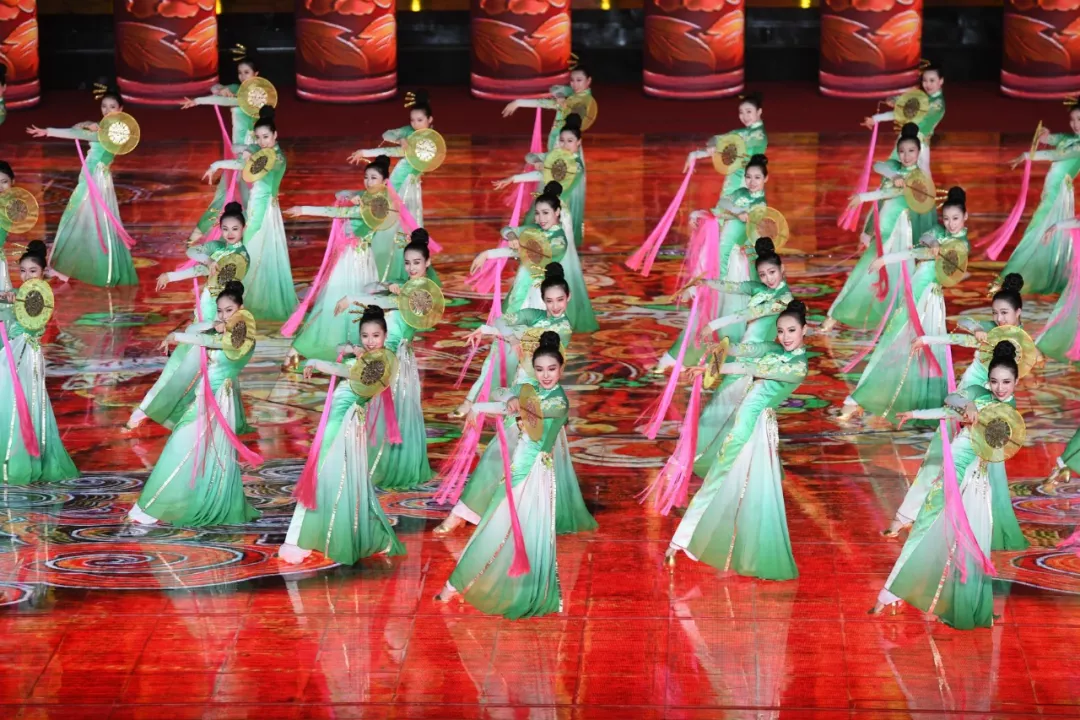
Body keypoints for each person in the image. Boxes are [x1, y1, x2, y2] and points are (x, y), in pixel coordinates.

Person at [872, 342, 1024, 629]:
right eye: (994, 381)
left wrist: (975, 416)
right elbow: (951, 401)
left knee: (946, 536)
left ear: (1016, 382)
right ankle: (896, 592)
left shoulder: (1010, 413)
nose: (1000, 388)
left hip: (970, 481)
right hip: (952, 474)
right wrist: (922, 413)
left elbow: (997, 443)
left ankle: (898, 594)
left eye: (1006, 382)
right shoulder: (979, 393)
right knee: (929, 530)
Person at [438, 265, 594, 536]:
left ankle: (466, 512)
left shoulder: (563, 327)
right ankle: (491, 512)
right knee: (508, 454)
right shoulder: (535, 314)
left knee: (503, 453)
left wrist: (492, 331)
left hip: (540, 392)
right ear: (542, 299)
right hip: (520, 385)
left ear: (568, 298)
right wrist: (506, 336)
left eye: (560, 300)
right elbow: (503, 320)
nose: (555, 306)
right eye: (549, 300)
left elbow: (531, 338)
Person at [665, 299, 810, 579]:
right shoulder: (776, 349)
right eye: (781, 331)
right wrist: (718, 353)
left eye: (791, 331)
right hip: (747, 425)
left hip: (754, 429)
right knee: (730, 483)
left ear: (805, 330)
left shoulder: (798, 367)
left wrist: (715, 368)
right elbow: (748, 351)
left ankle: (683, 542)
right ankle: (685, 541)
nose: (785, 337)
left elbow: (752, 369)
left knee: (724, 481)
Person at [434, 331, 570, 619]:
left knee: (519, 534)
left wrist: (512, 401)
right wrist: (490, 403)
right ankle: (456, 584)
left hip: (536, 476)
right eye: (540, 369)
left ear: (562, 369)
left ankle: (466, 586)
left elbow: (530, 409)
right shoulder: (531, 390)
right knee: (492, 528)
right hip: (519, 470)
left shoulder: (558, 402)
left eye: (552, 369)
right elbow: (503, 397)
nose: (546, 375)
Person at [279, 305, 405, 565]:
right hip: (337, 421)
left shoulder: (383, 361)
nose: (370, 341)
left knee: (322, 473)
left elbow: (348, 372)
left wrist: (317, 363)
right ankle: (329, 534)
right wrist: (350, 349)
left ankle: (299, 539)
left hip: (345, 423)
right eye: (365, 336)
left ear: (385, 335)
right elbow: (342, 351)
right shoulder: (365, 355)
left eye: (376, 335)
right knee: (330, 475)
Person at [128, 282, 260, 527]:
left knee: (182, 446)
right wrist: (211, 325)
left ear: (241, 309)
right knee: (201, 453)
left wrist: (178, 336)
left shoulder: (243, 338)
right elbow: (202, 333)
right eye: (219, 310)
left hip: (217, 402)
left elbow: (213, 343)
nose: (223, 315)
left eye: (229, 310)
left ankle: (153, 506)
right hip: (205, 398)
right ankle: (187, 500)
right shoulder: (220, 332)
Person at [840, 186, 969, 423]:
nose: (950, 224)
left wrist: (939, 251)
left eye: (956, 219)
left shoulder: (961, 247)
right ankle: (865, 395)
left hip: (929, 300)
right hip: (913, 294)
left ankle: (913, 401)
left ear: (965, 217)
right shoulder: (938, 232)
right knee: (893, 340)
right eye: (947, 218)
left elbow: (948, 270)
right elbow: (922, 242)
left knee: (914, 346)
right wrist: (886, 258)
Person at [128, 203, 253, 433]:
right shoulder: (219, 248)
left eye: (235, 229)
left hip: (214, 318)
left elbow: (208, 275)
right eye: (225, 228)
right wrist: (204, 262)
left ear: (244, 229)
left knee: (183, 367)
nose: (230, 233)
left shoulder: (239, 258)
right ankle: (209, 418)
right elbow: (192, 252)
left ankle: (150, 410)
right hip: (204, 313)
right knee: (191, 368)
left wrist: (181, 273)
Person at [334, 233, 440, 490]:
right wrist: (388, 284)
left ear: (427, 263)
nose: (411, 268)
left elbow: (387, 302)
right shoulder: (406, 286)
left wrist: (353, 298)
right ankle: (373, 462)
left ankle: (393, 466)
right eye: (407, 263)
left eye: (417, 262)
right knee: (376, 410)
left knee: (394, 410)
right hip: (384, 354)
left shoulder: (424, 292)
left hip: (397, 362)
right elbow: (377, 289)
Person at [823, 123, 935, 333]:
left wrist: (863, 197)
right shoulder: (893, 168)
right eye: (902, 151)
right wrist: (894, 177)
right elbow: (878, 166)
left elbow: (891, 194)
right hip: (882, 228)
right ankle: (836, 314)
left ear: (919, 152)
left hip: (899, 232)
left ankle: (899, 320)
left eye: (911, 151)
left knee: (897, 274)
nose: (906, 156)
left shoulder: (919, 178)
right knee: (865, 271)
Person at [280, 157, 393, 363]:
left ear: (385, 182)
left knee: (343, 300)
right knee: (344, 299)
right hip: (356, 256)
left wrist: (304, 209)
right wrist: (351, 195)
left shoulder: (378, 205)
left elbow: (337, 212)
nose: (368, 182)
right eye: (366, 177)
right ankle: (338, 345)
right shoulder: (368, 196)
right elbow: (340, 194)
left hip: (356, 259)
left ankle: (339, 344)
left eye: (374, 178)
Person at [25, 86, 138, 287]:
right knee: (84, 222)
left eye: (112, 106)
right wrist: (87, 125)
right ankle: (66, 267)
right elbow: (79, 128)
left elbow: (79, 133)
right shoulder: (105, 128)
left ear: (121, 109)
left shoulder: (113, 132)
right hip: (92, 178)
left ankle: (67, 268)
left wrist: (49, 131)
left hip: (95, 181)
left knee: (74, 220)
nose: (107, 110)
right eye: (104, 106)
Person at [204, 105, 296, 320]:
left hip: (264, 210)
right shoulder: (263, 152)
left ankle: (251, 298)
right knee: (249, 249)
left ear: (275, 135)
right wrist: (248, 149)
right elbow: (246, 155)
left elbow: (245, 166)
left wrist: (222, 163)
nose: (262, 141)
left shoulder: (276, 158)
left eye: (266, 137)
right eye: (259, 137)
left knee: (252, 250)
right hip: (257, 204)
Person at [0, 242, 79, 486]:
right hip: (12, 352)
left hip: (25, 356)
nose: (27, 276)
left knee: (21, 402)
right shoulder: (18, 291)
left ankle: (19, 461)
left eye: (32, 271)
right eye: (23, 270)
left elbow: (31, 318)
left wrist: (12, 301)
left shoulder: (41, 295)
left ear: (43, 272)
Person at [473, 181, 596, 332]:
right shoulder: (534, 228)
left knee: (534, 332)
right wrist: (512, 235)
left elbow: (525, 253)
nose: (540, 218)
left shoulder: (559, 241)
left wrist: (488, 254)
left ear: (557, 212)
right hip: (524, 285)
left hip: (541, 292)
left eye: (545, 213)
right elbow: (506, 229)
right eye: (537, 213)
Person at [989, 103, 1080, 296]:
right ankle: (1030, 275)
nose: (1075, 124)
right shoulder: (1070, 138)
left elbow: (1056, 154)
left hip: (1057, 197)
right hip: (1052, 194)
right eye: (1072, 120)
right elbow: (1054, 139)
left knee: (1033, 233)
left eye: (1079, 119)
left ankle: (1007, 278)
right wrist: (1045, 135)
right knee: (1040, 234)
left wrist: (1027, 155)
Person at [179, 46, 262, 244]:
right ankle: (201, 230)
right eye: (240, 73)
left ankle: (252, 236)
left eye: (247, 72)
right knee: (225, 193)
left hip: (250, 150)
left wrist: (198, 101)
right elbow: (215, 88)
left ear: (256, 74)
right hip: (236, 150)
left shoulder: (256, 95)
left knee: (247, 195)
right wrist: (221, 89)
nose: (242, 76)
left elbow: (223, 102)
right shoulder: (237, 89)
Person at [348, 89, 435, 230]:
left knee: (408, 211)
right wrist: (400, 139)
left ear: (430, 120)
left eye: (420, 120)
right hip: (402, 174)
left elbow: (395, 152)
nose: (415, 124)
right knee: (392, 206)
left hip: (411, 180)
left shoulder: (429, 141)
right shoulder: (409, 131)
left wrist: (365, 152)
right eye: (412, 120)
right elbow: (387, 134)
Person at [862, 61, 946, 176]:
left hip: (916, 141)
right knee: (919, 171)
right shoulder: (924, 97)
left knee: (917, 171)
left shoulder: (937, 105)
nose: (928, 84)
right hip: (911, 140)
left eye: (932, 80)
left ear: (941, 81)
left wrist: (898, 103)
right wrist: (876, 118)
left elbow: (907, 113)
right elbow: (902, 112)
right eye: (925, 80)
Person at [683, 92, 767, 197]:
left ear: (759, 112)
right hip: (733, 184)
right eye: (741, 112)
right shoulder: (741, 133)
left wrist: (704, 151)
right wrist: (700, 152)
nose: (745, 116)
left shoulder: (759, 136)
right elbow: (716, 139)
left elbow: (731, 149)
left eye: (749, 111)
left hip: (746, 189)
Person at [502, 63, 594, 152]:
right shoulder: (574, 93)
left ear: (588, 80)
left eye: (579, 80)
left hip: (564, 146)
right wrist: (560, 94)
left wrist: (519, 102)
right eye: (572, 80)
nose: (574, 84)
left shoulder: (582, 100)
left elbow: (547, 103)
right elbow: (554, 88)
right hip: (564, 141)